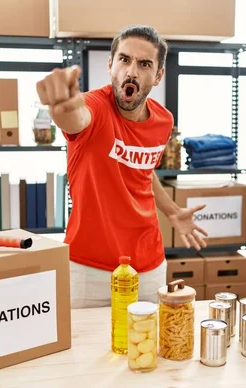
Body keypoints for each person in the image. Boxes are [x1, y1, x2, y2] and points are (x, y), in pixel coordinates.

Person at [36, 25, 208, 308]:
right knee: (86, 352)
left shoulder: (163, 120)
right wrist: (61, 105)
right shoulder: (94, 107)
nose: (132, 72)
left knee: (145, 348)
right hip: (89, 269)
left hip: (149, 267)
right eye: (124, 60)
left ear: (158, 75)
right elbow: (74, 118)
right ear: (111, 64)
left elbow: (143, 168)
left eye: (144, 64)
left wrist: (172, 210)